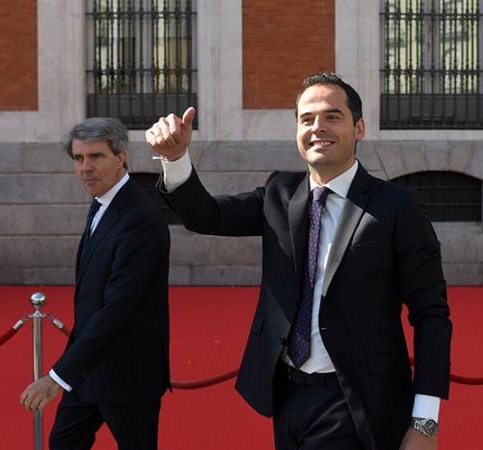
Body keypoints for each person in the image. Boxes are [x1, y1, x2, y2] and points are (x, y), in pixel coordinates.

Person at [147, 72, 451, 450]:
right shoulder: (280, 193)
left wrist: (424, 423)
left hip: (357, 401)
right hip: (288, 397)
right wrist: (175, 159)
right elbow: (206, 216)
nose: (317, 128)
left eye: (332, 117)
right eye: (307, 119)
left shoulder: (396, 207)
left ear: (359, 128)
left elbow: (431, 315)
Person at [20, 117, 171, 450]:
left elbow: (118, 308)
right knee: (62, 443)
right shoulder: (102, 203)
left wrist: (56, 377)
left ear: (121, 158)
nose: (85, 167)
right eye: (78, 158)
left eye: (96, 157)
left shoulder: (140, 218)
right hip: (87, 369)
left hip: (129, 374)